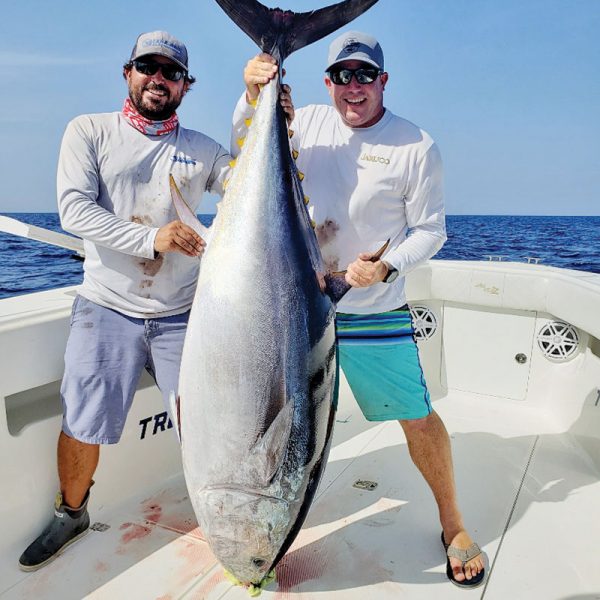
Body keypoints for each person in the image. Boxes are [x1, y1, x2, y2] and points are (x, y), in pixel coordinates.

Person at [236, 31, 486, 588]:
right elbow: (244, 149)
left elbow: (431, 231)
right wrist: (251, 95)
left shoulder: (415, 146)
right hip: (295, 309)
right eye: (342, 76)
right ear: (327, 82)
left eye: (364, 75)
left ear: (383, 81)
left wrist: (387, 266)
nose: (354, 87)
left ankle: (453, 524)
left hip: (370, 308)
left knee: (414, 416)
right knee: (275, 424)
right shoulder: (307, 122)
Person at [18, 31, 231, 572]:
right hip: (106, 304)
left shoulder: (203, 150)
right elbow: (73, 211)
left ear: (187, 85)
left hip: (184, 311)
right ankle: (72, 513)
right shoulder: (88, 131)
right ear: (128, 71)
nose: (158, 79)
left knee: (209, 422)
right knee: (83, 420)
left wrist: (261, 103)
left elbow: (249, 182)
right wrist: (151, 238)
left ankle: (229, 517)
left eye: (171, 72)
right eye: (147, 67)